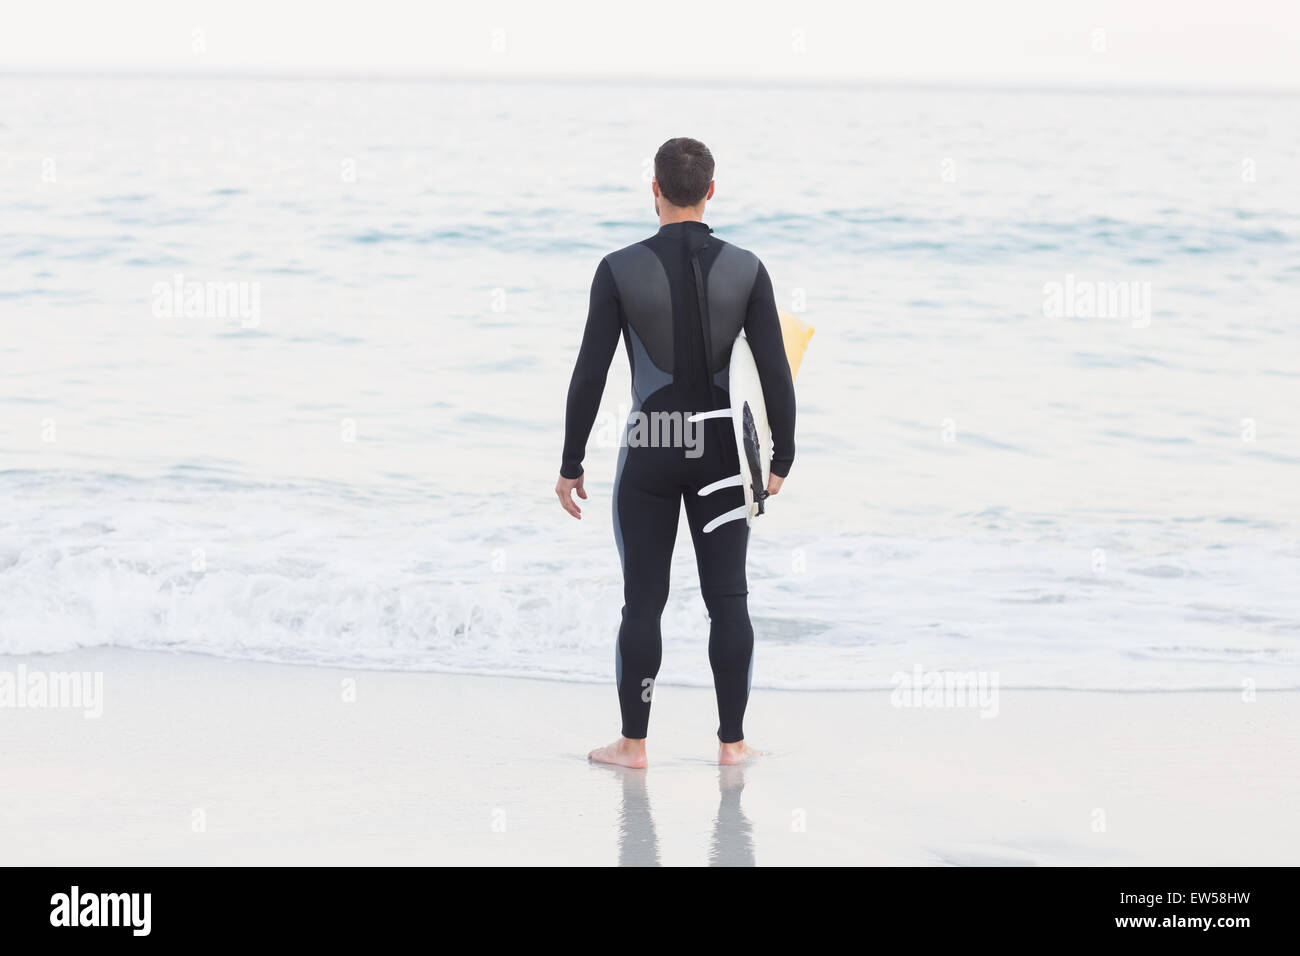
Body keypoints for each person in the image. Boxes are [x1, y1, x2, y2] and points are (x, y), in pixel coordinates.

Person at [555, 137, 796, 767]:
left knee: (643, 601)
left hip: (651, 449)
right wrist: (781, 460)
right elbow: (775, 374)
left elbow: (589, 373)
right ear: (710, 191)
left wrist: (570, 463)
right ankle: (732, 744)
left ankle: (633, 745)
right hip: (722, 455)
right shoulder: (747, 268)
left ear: (655, 189)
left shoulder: (617, 268)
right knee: (729, 600)